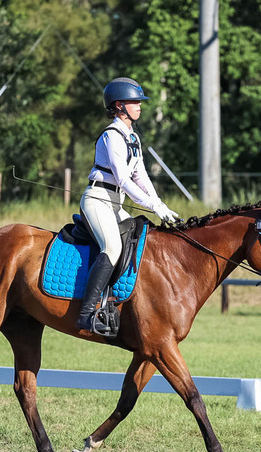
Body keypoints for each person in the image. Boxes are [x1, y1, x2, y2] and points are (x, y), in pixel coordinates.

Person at [76, 77, 178, 333]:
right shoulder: (112, 135)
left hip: (115, 204)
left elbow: (140, 176)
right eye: (135, 102)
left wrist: (159, 204)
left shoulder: (132, 137)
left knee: (141, 239)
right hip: (97, 201)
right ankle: (87, 313)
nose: (140, 106)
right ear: (119, 105)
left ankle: (115, 301)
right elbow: (122, 178)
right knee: (111, 248)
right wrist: (153, 206)